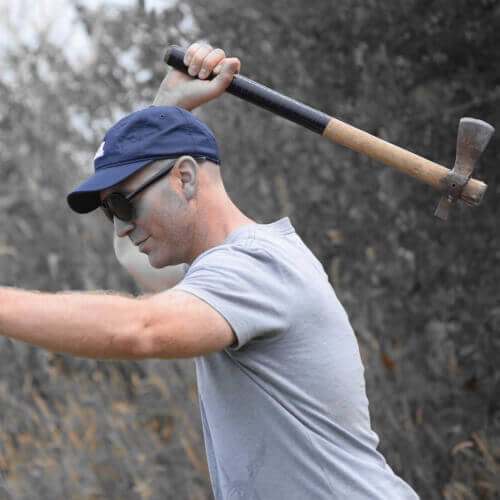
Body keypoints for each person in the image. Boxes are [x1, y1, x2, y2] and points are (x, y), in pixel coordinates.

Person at [0, 43, 419, 499]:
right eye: (109, 213)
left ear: (185, 177)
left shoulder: (254, 266)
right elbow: (130, 259)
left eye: (124, 204)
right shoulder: (216, 272)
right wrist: (165, 112)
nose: (121, 229)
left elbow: (141, 330)